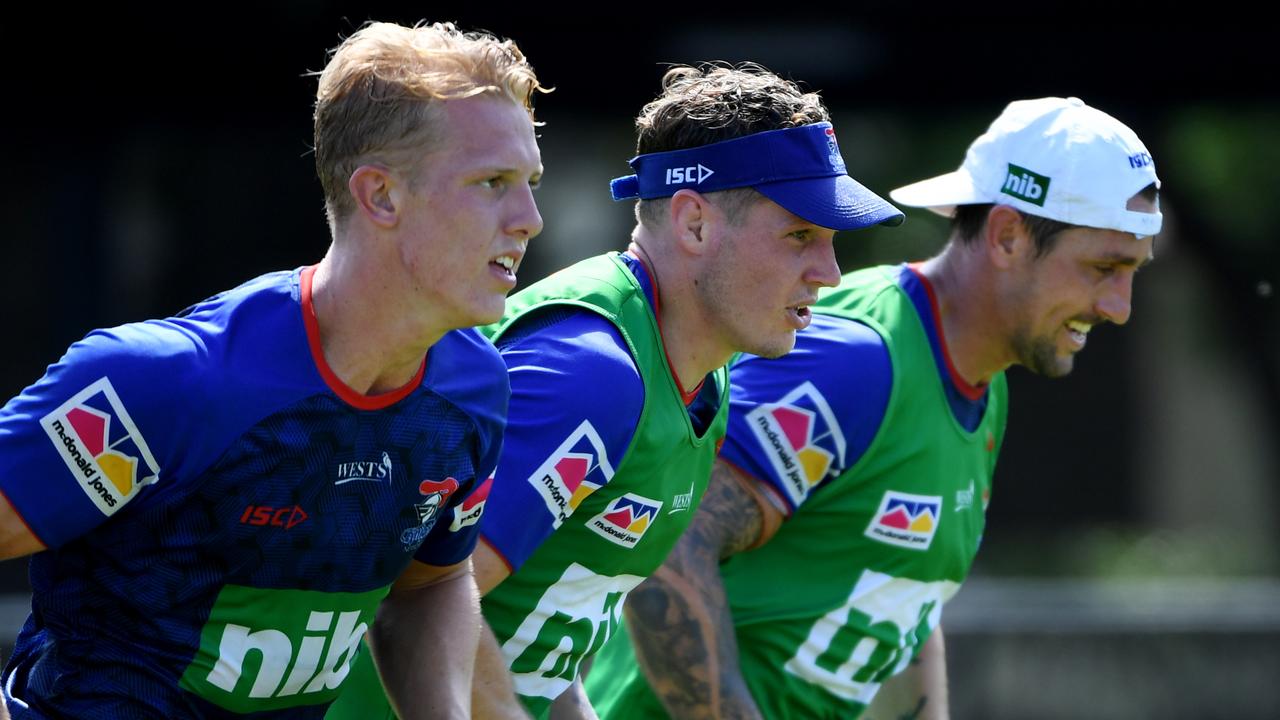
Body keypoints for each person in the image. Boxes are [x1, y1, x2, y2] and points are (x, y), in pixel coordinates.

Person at [0, 20, 546, 719]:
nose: (529, 217)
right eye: (493, 182)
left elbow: (428, 584)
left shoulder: (475, 390)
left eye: (530, 182)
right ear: (381, 196)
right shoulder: (163, 384)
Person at [328, 63, 903, 720]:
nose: (828, 272)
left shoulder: (702, 379)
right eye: (800, 235)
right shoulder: (594, 376)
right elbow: (419, 594)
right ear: (693, 224)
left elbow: (551, 630)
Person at [586, 96, 1162, 719]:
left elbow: (902, 606)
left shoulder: (982, 382)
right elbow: (670, 539)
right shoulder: (859, 361)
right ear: (1006, 236)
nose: (1120, 306)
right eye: (1103, 267)